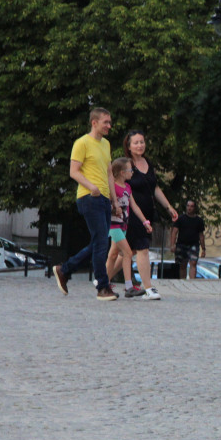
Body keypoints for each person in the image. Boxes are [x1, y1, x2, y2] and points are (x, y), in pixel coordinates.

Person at [53, 107, 120, 301]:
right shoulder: (82, 143)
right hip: (89, 197)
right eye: (106, 122)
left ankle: (65, 270)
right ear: (94, 122)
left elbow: (109, 173)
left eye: (110, 122)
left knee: (99, 242)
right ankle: (102, 287)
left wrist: (115, 201)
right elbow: (73, 171)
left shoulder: (106, 144)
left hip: (104, 199)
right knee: (101, 243)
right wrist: (92, 187)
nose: (109, 126)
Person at [124, 131, 178, 301]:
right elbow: (119, 186)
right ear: (129, 146)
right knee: (143, 248)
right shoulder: (126, 164)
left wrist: (168, 207)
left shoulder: (148, 163)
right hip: (132, 213)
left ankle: (102, 281)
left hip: (147, 213)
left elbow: (155, 188)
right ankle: (148, 288)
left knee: (126, 252)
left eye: (142, 142)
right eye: (136, 142)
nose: (140, 145)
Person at [105, 157, 151, 297]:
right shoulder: (112, 187)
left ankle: (103, 283)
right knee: (128, 253)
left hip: (123, 225)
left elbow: (134, 206)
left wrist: (145, 222)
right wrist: (114, 208)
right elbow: (106, 205)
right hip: (114, 225)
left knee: (113, 255)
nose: (132, 172)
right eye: (130, 169)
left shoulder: (127, 187)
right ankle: (129, 286)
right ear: (122, 172)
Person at [170, 200, 206, 280]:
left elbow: (201, 235)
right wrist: (172, 244)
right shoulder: (180, 218)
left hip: (194, 245)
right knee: (182, 265)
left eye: (191, 206)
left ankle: (192, 281)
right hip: (181, 244)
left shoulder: (199, 220)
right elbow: (174, 232)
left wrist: (203, 248)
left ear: (194, 208)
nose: (189, 208)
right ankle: (183, 281)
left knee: (193, 263)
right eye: (188, 206)